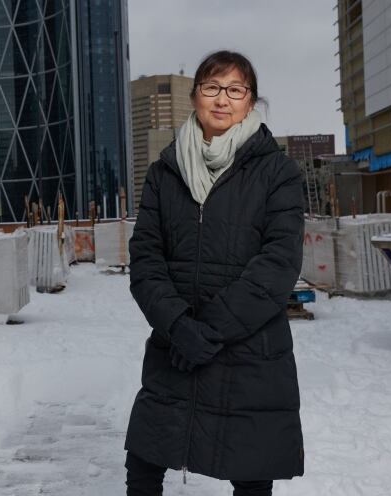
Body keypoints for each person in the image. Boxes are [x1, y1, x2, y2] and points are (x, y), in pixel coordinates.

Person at [125, 50, 305, 496]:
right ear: (195, 96)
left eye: (235, 90)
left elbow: (279, 263)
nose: (222, 99)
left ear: (250, 101)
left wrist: (207, 330)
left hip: (250, 350)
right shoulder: (165, 173)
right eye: (212, 87)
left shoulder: (278, 172)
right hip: (176, 344)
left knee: (251, 472)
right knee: (144, 464)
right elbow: (146, 260)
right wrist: (178, 326)